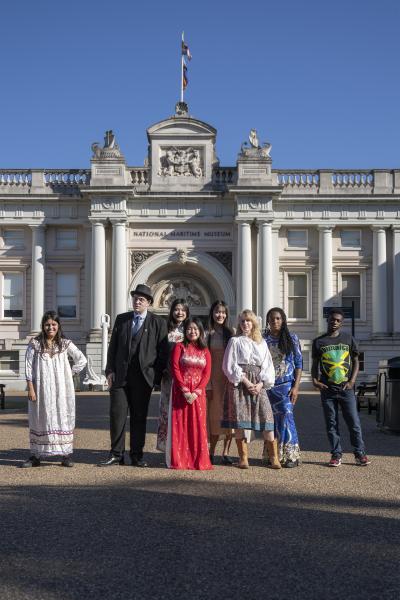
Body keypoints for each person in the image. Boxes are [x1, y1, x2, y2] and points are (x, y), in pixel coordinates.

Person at [99, 284, 168, 468]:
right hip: (120, 377)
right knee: (117, 416)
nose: (137, 302)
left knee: (139, 417)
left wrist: (155, 378)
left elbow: (163, 353)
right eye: (135, 298)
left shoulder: (158, 323)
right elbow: (112, 348)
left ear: (149, 303)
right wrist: (109, 370)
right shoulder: (122, 319)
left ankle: (137, 455)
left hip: (143, 379)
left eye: (141, 299)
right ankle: (116, 454)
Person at [21, 310, 87, 468]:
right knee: (40, 418)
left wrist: (69, 373)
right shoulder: (35, 344)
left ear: (58, 326)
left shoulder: (64, 343)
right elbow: (28, 367)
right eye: (47, 324)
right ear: (43, 326)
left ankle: (66, 454)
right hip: (41, 389)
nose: (50, 327)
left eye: (53, 324)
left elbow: (81, 359)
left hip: (62, 390)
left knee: (62, 417)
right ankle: (36, 455)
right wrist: (30, 388)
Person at [311, 308, 371, 467]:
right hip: (327, 390)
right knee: (331, 424)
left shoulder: (348, 339)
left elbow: (357, 361)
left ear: (341, 322)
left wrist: (352, 381)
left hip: (346, 390)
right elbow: (315, 364)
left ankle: (360, 454)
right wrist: (315, 380)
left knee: (354, 423)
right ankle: (336, 455)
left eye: (338, 320)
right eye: (332, 319)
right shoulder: (319, 342)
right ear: (327, 320)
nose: (334, 322)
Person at [222, 309, 279, 469]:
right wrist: (246, 381)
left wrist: (261, 384)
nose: (245, 324)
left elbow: (268, 365)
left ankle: (274, 457)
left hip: (259, 382)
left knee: (267, 419)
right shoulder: (235, 341)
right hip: (240, 383)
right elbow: (229, 365)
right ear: (239, 324)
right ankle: (243, 458)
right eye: (242, 321)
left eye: (248, 321)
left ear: (254, 323)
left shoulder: (262, 343)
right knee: (240, 421)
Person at [167, 318, 212, 470]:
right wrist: (185, 390)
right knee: (181, 425)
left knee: (198, 425)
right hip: (181, 391)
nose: (192, 332)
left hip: (198, 393)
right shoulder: (180, 347)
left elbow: (207, 373)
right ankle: (180, 459)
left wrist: (197, 391)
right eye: (189, 329)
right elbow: (175, 368)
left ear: (200, 331)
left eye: (195, 329)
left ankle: (197, 460)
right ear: (185, 331)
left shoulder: (205, 350)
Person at [263, 307, 302, 468]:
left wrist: (296, 387)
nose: (275, 321)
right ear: (268, 321)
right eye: (272, 319)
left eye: (278, 318)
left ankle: (291, 456)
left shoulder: (292, 339)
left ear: (283, 320)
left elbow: (299, 364)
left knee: (286, 417)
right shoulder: (263, 340)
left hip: (286, 387)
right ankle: (272, 455)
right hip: (268, 387)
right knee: (269, 422)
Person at [156, 298, 190, 453]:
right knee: (167, 410)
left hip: (186, 378)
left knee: (183, 411)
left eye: (183, 309)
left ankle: (183, 447)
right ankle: (167, 447)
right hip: (169, 377)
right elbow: (160, 352)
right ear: (172, 311)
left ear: (187, 312)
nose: (180, 312)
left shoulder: (191, 329)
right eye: (177, 309)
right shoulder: (165, 329)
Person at [206, 300, 235, 465]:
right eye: (217, 311)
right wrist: (207, 384)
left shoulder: (231, 333)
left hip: (228, 380)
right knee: (214, 416)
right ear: (212, 313)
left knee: (229, 416)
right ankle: (211, 451)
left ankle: (226, 452)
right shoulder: (206, 334)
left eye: (223, 312)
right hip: (212, 380)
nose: (220, 315)